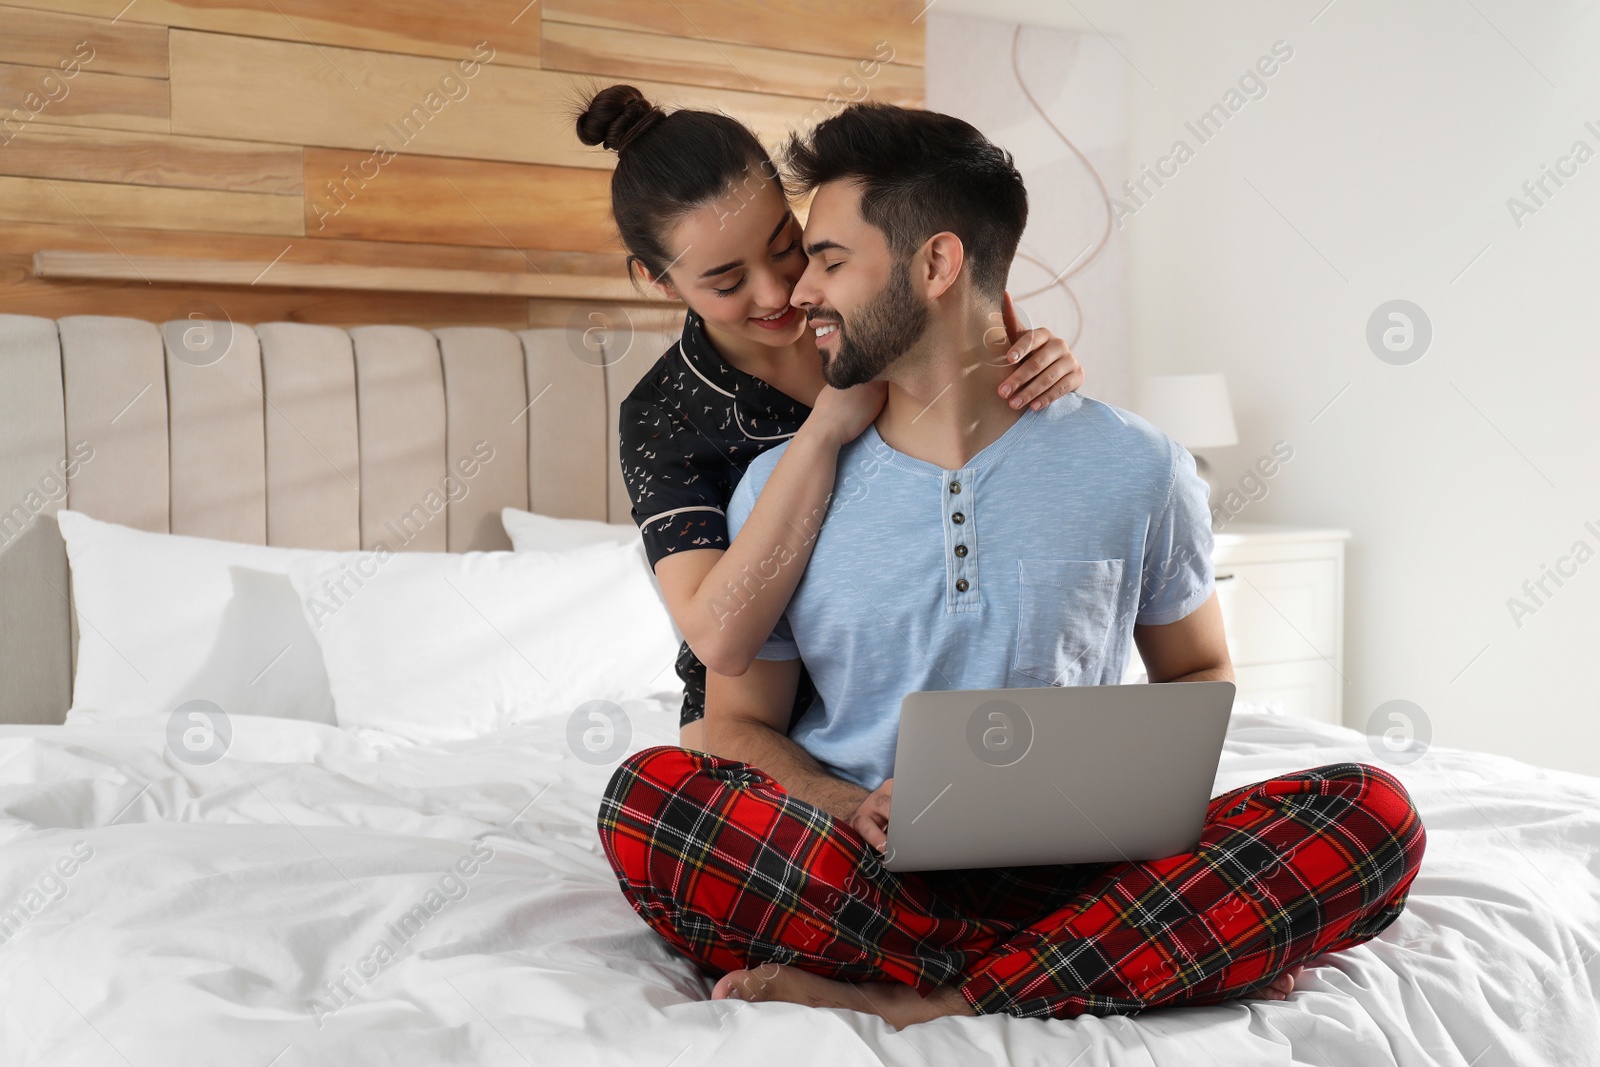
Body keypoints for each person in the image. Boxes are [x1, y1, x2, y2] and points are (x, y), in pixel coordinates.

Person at [598, 102, 1427, 1026]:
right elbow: (730, 709)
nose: (794, 293)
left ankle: (936, 997)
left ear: (937, 263)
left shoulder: (1140, 464)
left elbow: (1196, 670)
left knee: (1373, 813)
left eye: (818, 257)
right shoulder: (765, 485)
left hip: (1083, 860)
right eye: (730, 276)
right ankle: (1104, 957)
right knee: (650, 800)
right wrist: (848, 803)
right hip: (864, 860)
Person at [576, 85, 1085, 752]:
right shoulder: (663, 414)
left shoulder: (877, 301)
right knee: (653, 794)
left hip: (922, 679)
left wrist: (1043, 369)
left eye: (788, 246)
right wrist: (822, 431)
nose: (779, 292)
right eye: (726, 283)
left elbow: (996, 422)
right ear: (659, 280)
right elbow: (719, 638)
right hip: (757, 717)